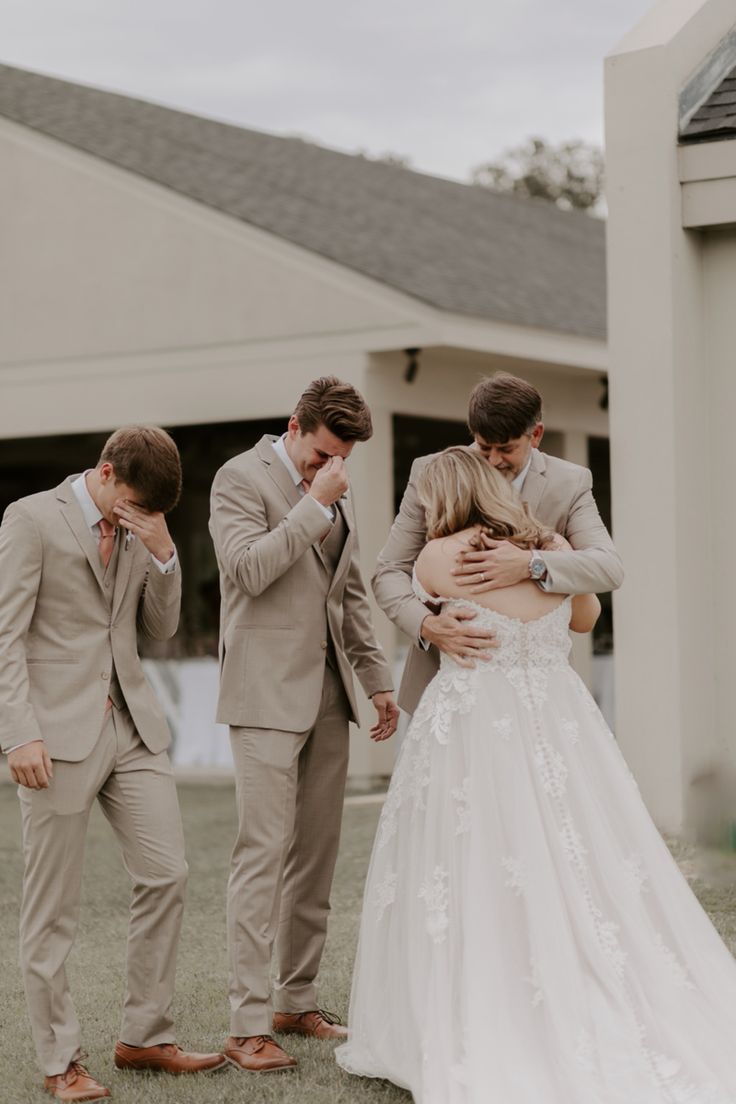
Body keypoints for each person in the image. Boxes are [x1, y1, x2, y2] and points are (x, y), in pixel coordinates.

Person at [337, 446, 736, 1103]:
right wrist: (539, 572)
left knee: (478, 864)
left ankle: (494, 994)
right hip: (559, 722)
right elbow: (584, 618)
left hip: (475, 727)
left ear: (448, 494)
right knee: (578, 857)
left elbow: (415, 594)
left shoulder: (440, 556)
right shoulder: (549, 545)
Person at [0, 426, 226, 1103]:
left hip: (131, 724)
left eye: (154, 513)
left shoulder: (143, 529)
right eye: (132, 504)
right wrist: (18, 733)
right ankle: (60, 1060)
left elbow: (156, 629)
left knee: (168, 873)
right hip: (55, 733)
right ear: (104, 472)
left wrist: (163, 554)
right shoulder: (32, 519)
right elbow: (5, 632)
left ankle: (144, 1036)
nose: (138, 517)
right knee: (53, 908)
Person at [209, 376, 399, 1074]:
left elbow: (347, 592)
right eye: (320, 455)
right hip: (262, 692)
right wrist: (313, 506)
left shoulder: (336, 489)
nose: (330, 469)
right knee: (261, 856)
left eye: (338, 459)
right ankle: (247, 1024)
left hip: (328, 694)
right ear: (295, 426)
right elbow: (246, 570)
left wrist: (376, 679)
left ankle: (296, 998)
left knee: (315, 858)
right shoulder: (237, 478)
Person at [373, 372, 623, 715]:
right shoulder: (432, 471)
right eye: (483, 447)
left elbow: (608, 567)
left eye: (506, 449)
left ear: (535, 435)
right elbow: (389, 570)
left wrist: (530, 564)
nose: (492, 461)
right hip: (451, 682)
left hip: (537, 687)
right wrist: (427, 625)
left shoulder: (569, 483)